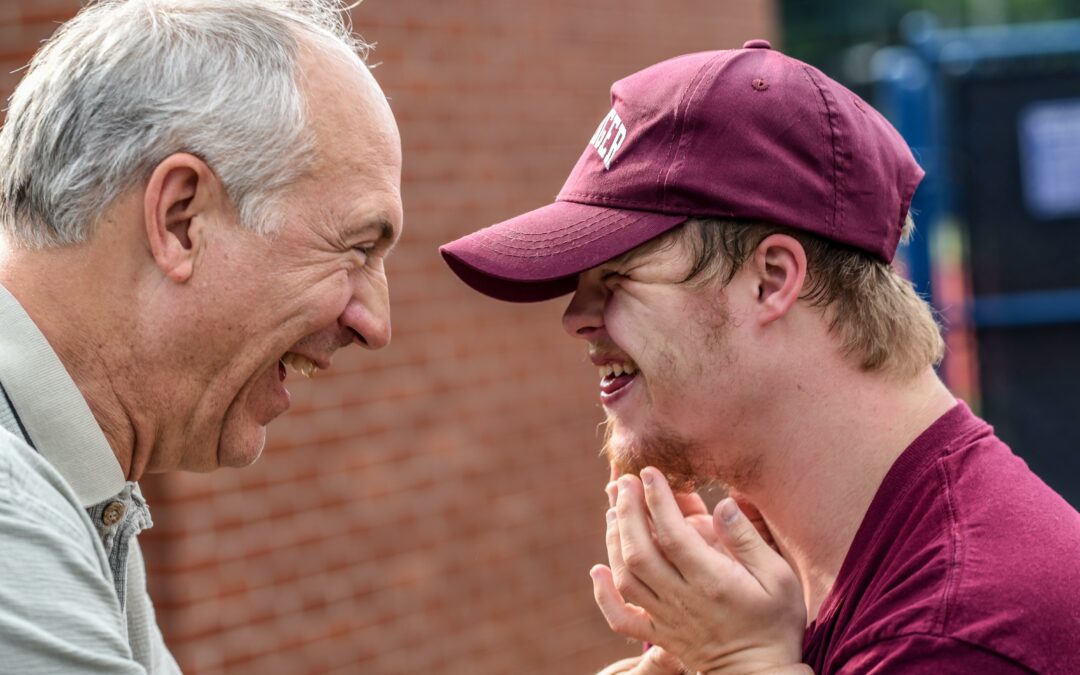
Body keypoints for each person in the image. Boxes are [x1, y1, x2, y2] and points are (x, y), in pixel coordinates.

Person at [441, 40, 1080, 673]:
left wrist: (742, 665)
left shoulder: (958, 632)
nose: (575, 318)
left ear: (771, 280)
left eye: (615, 277)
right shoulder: (757, 580)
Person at [0, 0, 401, 671]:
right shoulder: (13, 518)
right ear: (182, 219)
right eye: (356, 248)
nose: (376, 324)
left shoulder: (75, 488)